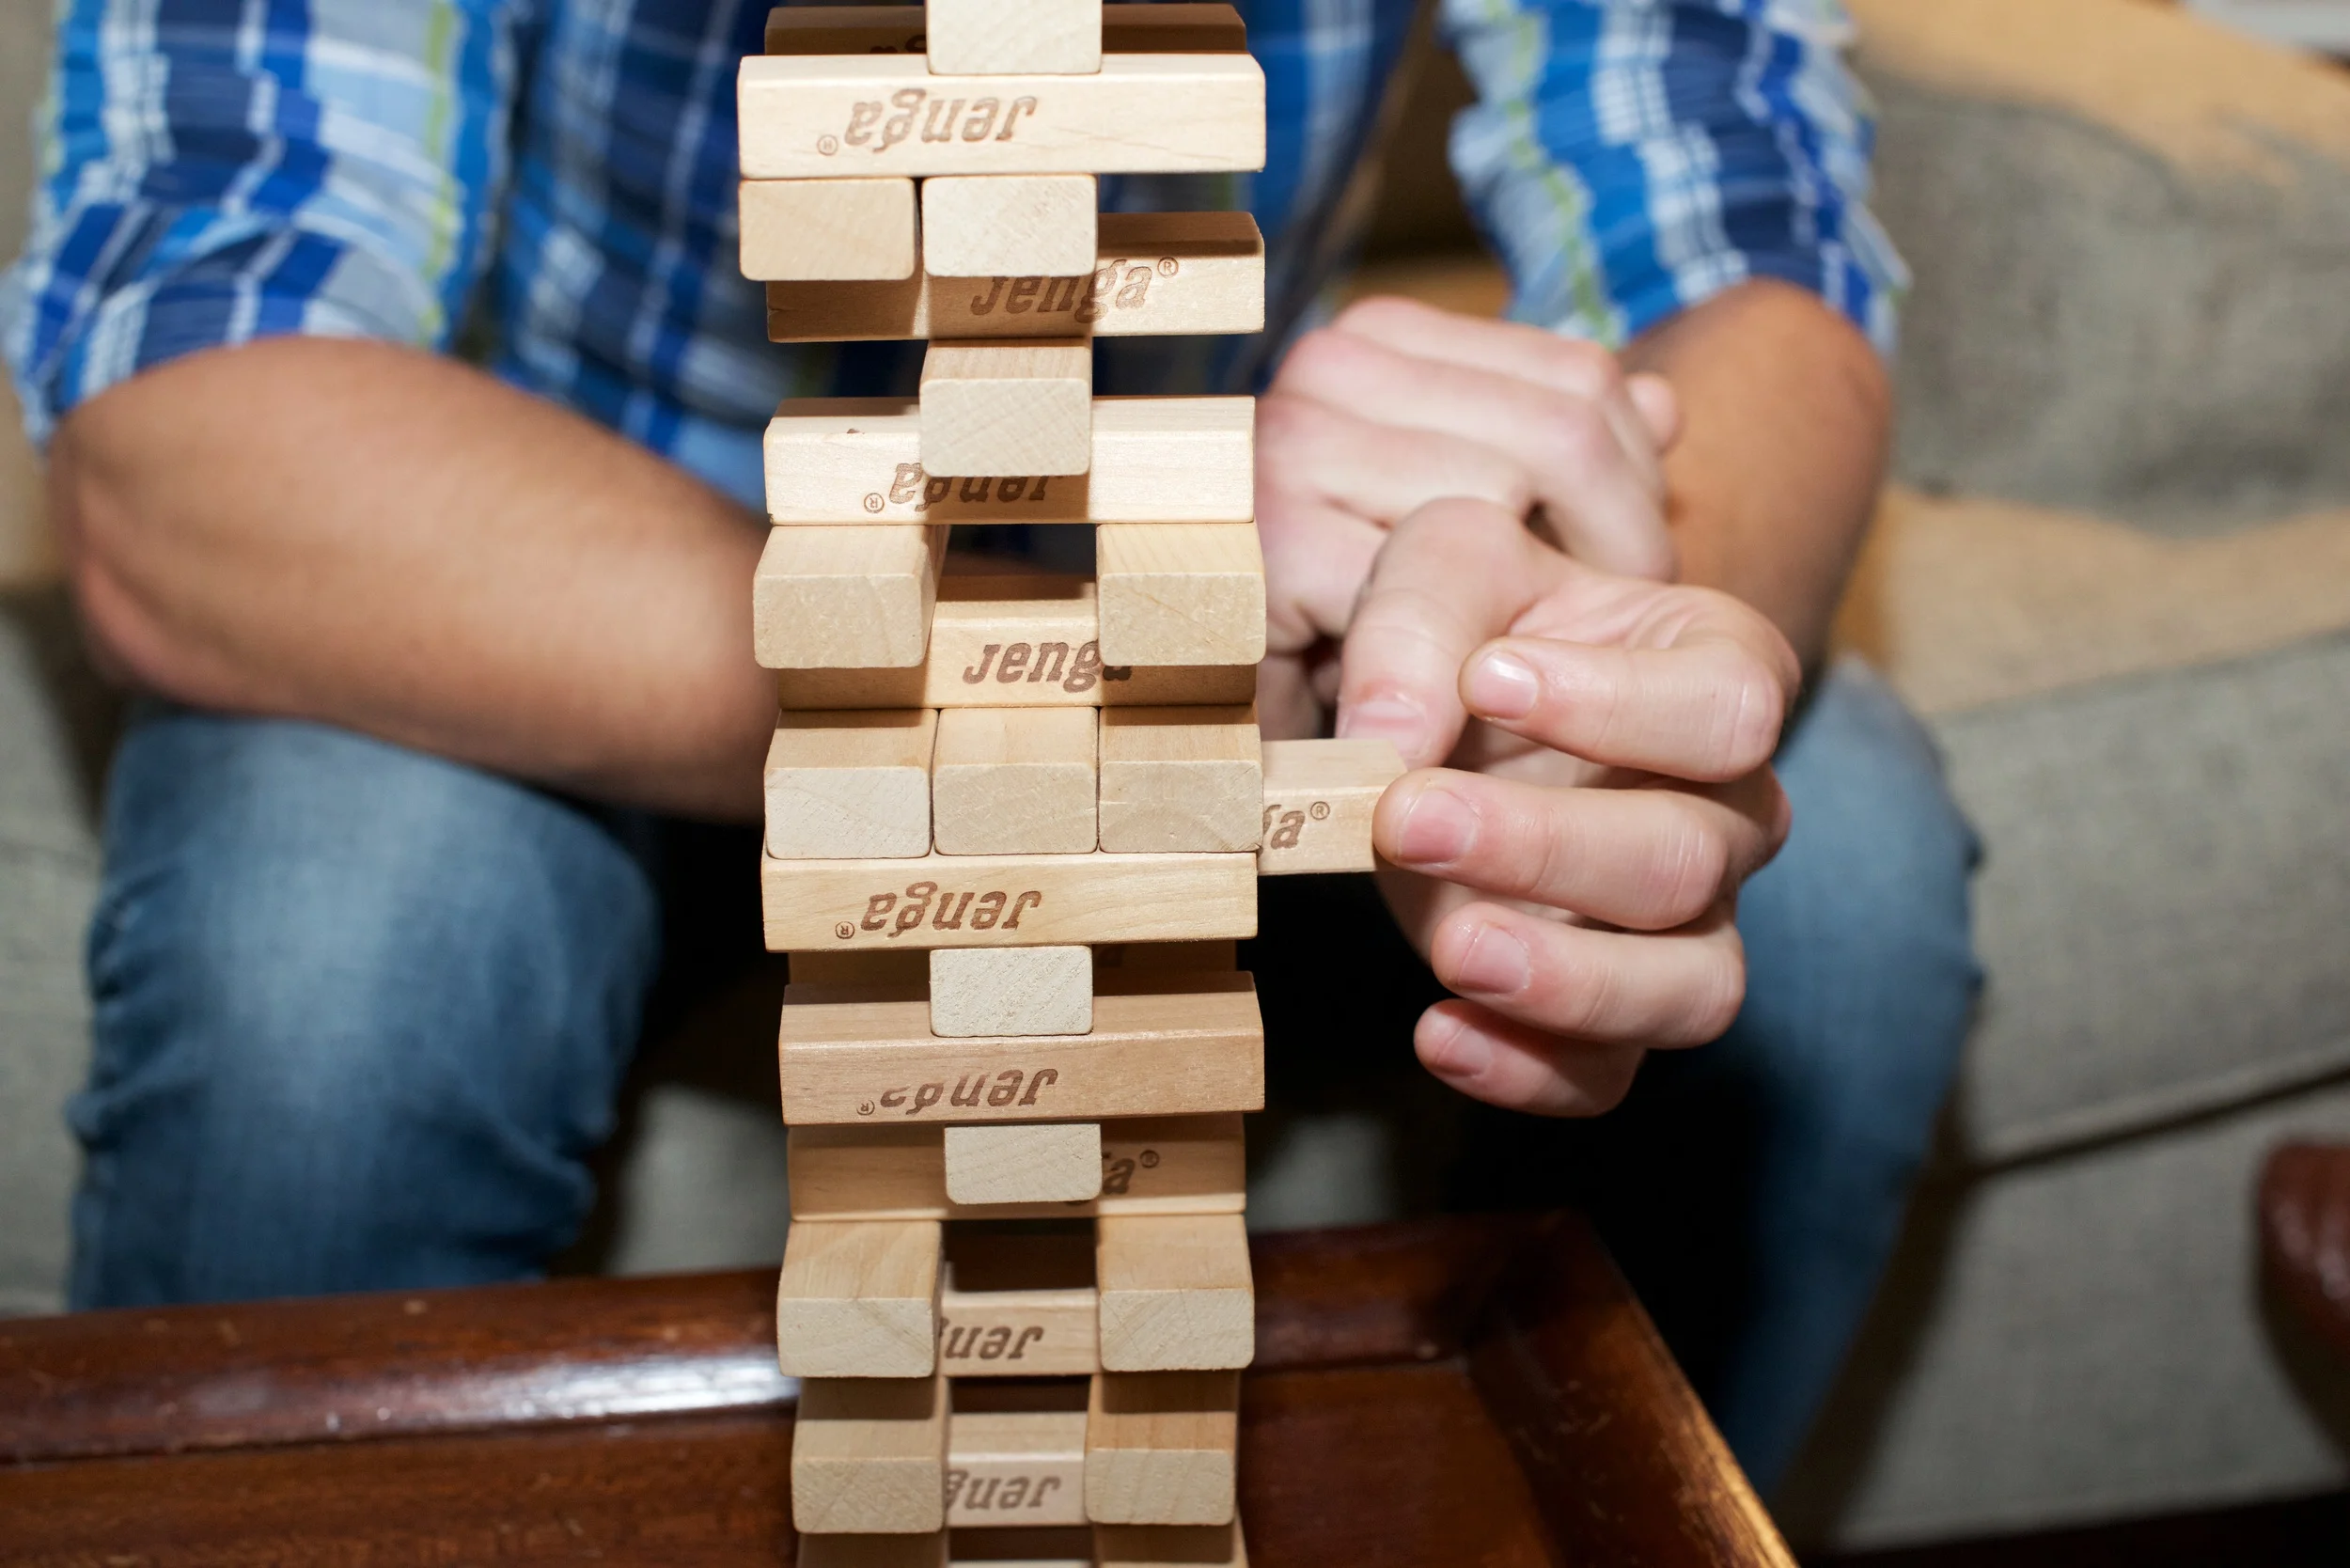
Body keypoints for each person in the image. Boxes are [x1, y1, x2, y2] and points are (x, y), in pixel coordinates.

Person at [2, 0, 1977, 1496]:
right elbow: (195, 408)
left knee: (1830, 874)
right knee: (334, 942)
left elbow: (1745, 235)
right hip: (536, 576)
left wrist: (1548, 637)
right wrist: (1105, 672)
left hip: (1212, 593)